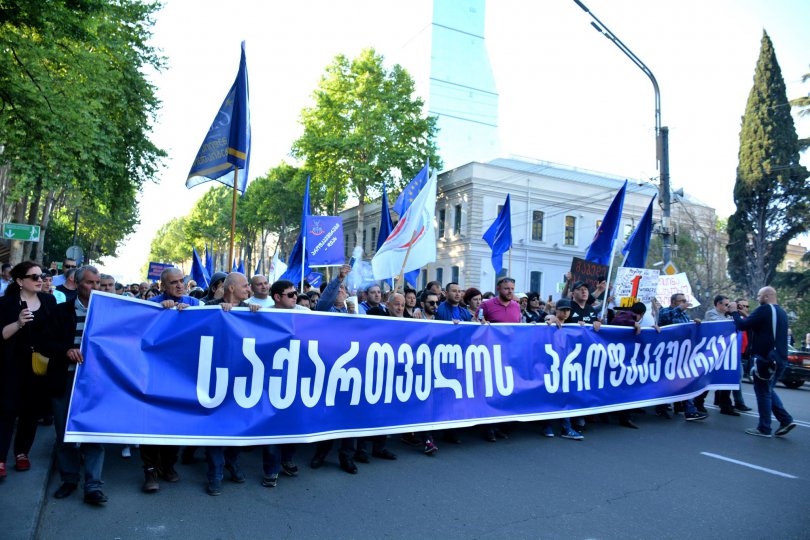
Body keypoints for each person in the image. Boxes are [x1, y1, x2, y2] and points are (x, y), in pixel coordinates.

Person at [50, 266, 107, 504]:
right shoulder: (61, 311)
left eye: (98, 283)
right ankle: (70, 479)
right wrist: (66, 350)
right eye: (90, 283)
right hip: (65, 380)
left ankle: (93, 485)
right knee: (65, 434)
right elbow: (44, 342)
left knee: (94, 433)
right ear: (77, 283)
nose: (95, 287)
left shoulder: (109, 312)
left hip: (97, 384)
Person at [0, 261, 59, 480]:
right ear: (19, 281)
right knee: (6, 411)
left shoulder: (48, 300)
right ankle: (0, 458)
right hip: (11, 366)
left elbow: (56, 332)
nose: (40, 279)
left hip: (40, 366)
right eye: (34, 277)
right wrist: (18, 324)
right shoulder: (5, 304)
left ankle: (22, 452)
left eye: (41, 275)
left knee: (31, 412)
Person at [202, 273, 258, 495]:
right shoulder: (208, 307)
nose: (249, 289)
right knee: (216, 425)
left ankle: (232, 463)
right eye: (245, 286)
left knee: (238, 423)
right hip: (215, 375)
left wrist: (257, 316)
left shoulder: (250, 309)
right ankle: (215, 473)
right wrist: (217, 314)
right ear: (231, 288)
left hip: (241, 375)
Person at [728, 287, 796, 438]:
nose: (757, 298)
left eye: (759, 296)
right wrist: (745, 314)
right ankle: (785, 420)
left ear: (765, 296)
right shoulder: (781, 312)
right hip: (780, 359)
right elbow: (758, 326)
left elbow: (742, 326)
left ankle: (764, 428)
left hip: (766, 359)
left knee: (763, 392)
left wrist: (733, 311)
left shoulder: (764, 309)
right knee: (768, 390)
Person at [657, 293, 707, 422]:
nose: (685, 303)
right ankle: (663, 406)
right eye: (682, 301)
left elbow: (684, 326)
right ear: (673, 302)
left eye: (685, 300)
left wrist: (693, 323)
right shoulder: (665, 311)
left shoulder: (684, 314)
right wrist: (680, 309)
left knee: (684, 379)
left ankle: (688, 409)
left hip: (682, 353)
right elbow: (666, 319)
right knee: (666, 381)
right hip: (668, 352)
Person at [701, 295, 740, 416]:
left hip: (726, 352)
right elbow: (718, 325)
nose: (728, 307)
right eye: (726, 305)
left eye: (729, 305)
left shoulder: (728, 315)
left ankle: (725, 405)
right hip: (712, 352)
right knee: (709, 379)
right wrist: (734, 316)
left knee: (726, 378)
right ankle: (698, 402)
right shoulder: (711, 313)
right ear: (718, 304)